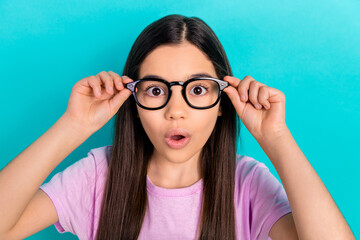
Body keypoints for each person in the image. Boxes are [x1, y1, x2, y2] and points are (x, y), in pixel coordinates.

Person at [0, 14, 355, 240]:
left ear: (221, 104)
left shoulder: (246, 184)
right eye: (156, 90)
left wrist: (276, 138)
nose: (176, 111)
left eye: (198, 90)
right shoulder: (98, 177)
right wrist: (73, 126)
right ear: (134, 103)